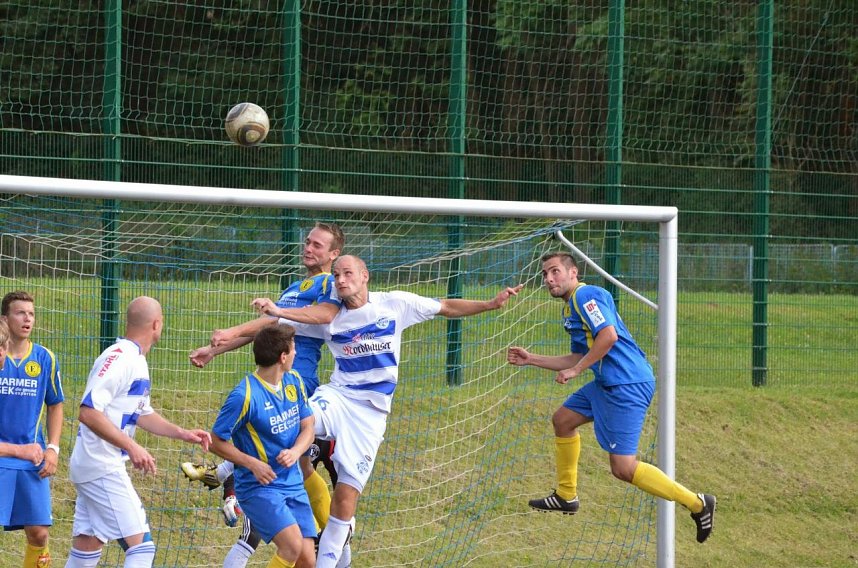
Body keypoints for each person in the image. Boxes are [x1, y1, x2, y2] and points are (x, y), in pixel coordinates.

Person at [252, 254, 523, 568]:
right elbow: (272, 325)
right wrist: (227, 338)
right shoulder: (327, 316)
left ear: (365, 275)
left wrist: (490, 304)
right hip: (339, 397)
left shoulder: (394, 304)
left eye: (347, 273)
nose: (340, 280)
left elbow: (446, 306)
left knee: (345, 499)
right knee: (294, 421)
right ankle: (233, 476)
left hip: (371, 416)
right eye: (336, 275)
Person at [506, 252, 716, 543]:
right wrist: (532, 360)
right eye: (544, 274)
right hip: (607, 382)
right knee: (563, 420)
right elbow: (580, 355)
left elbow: (608, 336)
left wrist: (577, 371)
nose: (548, 279)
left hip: (626, 384)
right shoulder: (570, 309)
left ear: (573, 273)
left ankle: (698, 503)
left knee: (623, 468)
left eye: (554, 271)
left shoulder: (586, 296)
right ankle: (567, 496)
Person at [183, 222, 345, 567]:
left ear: (334, 254)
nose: (308, 248)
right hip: (272, 379)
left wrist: (243, 326)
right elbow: (268, 330)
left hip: (294, 382)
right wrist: (219, 348)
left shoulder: (330, 284)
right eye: (307, 242)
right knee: (298, 470)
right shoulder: (294, 287)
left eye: (318, 245)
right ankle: (338, 552)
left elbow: (319, 316)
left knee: (286, 466)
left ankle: (224, 472)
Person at [65, 296, 212, 568]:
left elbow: (141, 412)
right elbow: (88, 411)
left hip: (93, 465)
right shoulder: (119, 357)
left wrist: (182, 433)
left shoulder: (137, 360)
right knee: (142, 549)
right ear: (156, 324)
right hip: (102, 465)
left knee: (87, 547)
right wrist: (132, 447)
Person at [209, 325, 317, 568]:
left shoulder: (294, 380)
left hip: (292, 482)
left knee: (308, 560)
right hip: (260, 488)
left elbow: (308, 427)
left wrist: (296, 452)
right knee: (291, 546)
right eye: (294, 349)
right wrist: (252, 463)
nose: (296, 354)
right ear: (283, 356)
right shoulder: (244, 395)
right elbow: (215, 441)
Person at [0, 291, 64, 568]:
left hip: (32, 458)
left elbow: (56, 404)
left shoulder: (45, 358)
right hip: (2, 456)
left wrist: (53, 448)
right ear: (4, 319)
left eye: (31, 314)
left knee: (39, 533)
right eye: (20, 313)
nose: (27, 319)